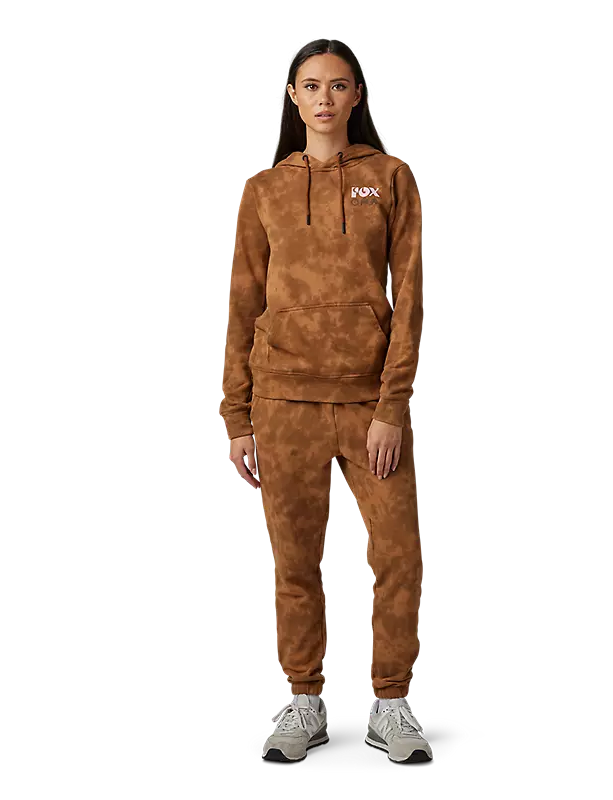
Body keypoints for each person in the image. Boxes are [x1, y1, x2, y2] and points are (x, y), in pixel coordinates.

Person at [218, 38, 433, 764]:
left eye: (338, 85)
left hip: (370, 405)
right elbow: (242, 303)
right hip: (282, 405)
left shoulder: (391, 178)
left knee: (398, 554)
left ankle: (391, 704)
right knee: (295, 561)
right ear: (292, 96)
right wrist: (237, 416)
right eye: (310, 86)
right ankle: (304, 700)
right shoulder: (263, 190)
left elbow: (410, 300)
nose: (324, 99)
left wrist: (392, 407)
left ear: (356, 95)